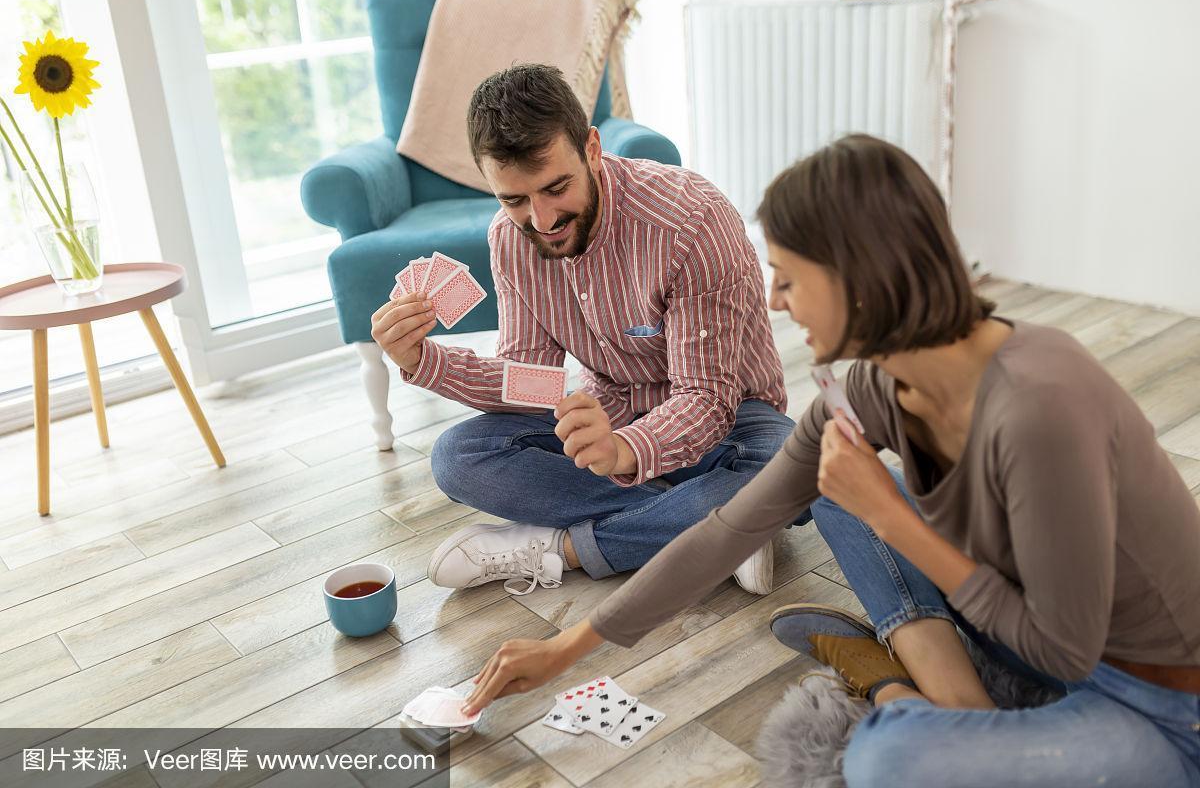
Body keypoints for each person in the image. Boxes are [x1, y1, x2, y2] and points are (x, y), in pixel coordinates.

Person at [459, 134, 1200, 786]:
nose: (776, 302)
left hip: (1166, 703)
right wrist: (568, 648)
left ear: (856, 274)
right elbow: (729, 528)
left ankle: (893, 689)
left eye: (786, 276)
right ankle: (943, 689)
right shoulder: (875, 387)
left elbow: (1061, 653)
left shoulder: (1040, 407)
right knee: (833, 479)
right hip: (1022, 629)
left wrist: (892, 517)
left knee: (886, 763)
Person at [371, 63, 795, 597]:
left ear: (591, 150)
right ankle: (719, 527)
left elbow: (707, 398)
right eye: (514, 199)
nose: (542, 220)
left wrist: (622, 451)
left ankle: (562, 550)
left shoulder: (691, 221)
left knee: (786, 468)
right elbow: (532, 384)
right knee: (458, 457)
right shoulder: (510, 238)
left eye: (555, 188)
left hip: (732, 424)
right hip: (608, 416)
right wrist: (422, 361)